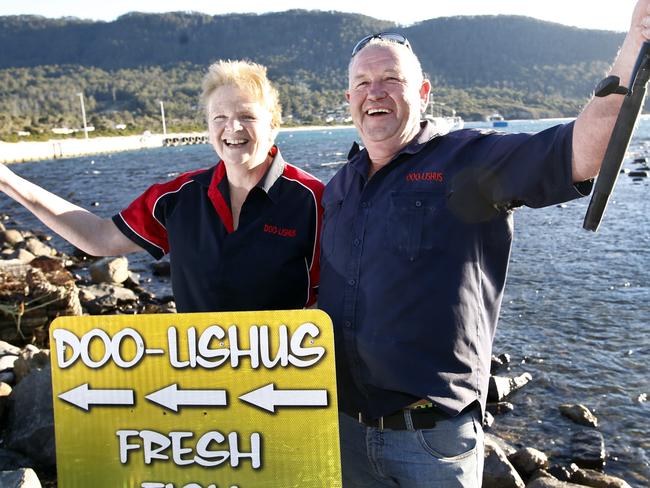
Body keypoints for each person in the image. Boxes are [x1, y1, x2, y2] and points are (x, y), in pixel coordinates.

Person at [318, 2, 650, 486]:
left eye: (391, 79)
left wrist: (634, 45)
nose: (376, 93)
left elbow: (579, 152)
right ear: (349, 97)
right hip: (346, 432)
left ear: (423, 93)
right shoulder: (339, 187)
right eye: (364, 84)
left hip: (431, 443)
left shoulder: (467, 159)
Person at [0, 60, 323, 313]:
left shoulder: (314, 199)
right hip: (203, 376)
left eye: (247, 116)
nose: (232, 127)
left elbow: (338, 296)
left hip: (288, 382)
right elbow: (97, 237)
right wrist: (8, 180)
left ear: (274, 125)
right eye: (219, 117)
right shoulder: (178, 199)